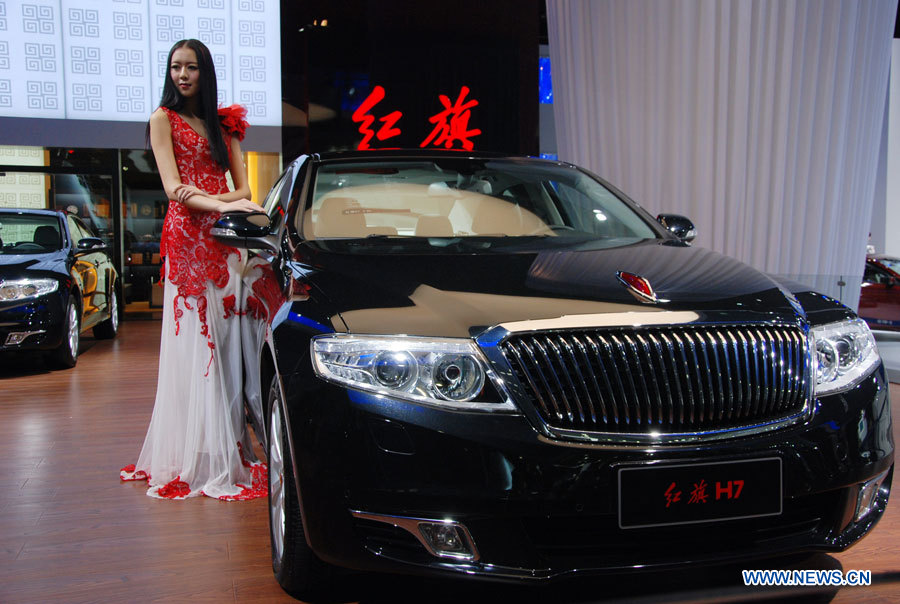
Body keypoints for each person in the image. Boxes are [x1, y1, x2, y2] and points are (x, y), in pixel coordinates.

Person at [120, 39, 266, 500]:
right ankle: (193, 453)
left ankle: (229, 443)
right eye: (175, 67)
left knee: (229, 343)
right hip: (187, 236)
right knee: (197, 342)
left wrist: (225, 201)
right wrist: (229, 201)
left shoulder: (225, 125)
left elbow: (245, 186)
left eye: (191, 68)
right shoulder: (161, 119)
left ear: (206, 72)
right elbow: (174, 190)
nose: (182, 75)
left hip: (224, 235)